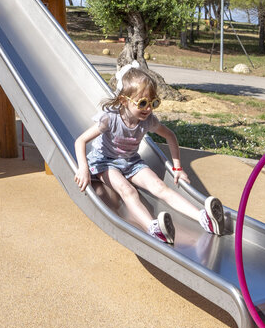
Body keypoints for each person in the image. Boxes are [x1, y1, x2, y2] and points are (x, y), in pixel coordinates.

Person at [73, 65, 226, 244]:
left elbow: (170, 136)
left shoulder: (148, 121)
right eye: (142, 103)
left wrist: (177, 167)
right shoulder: (110, 118)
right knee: (127, 190)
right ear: (124, 100)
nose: (148, 109)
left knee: (160, 187)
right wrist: (83, 169)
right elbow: (80, 141)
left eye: (153, 103)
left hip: (131, 162)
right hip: (105, 162)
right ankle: (153, 228)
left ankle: (203, 218)